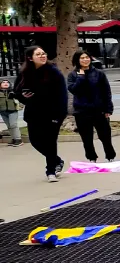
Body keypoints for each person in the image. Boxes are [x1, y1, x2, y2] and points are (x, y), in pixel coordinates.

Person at [15, 45, 68, 181]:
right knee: (35, 141)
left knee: (50, 142)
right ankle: (57, 161)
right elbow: (17, 91)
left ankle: (51, 171)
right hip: (33, 113)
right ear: (30, 58)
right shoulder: (24, 73)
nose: (42, 56)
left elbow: (62, 96)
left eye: (43, 53)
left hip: (52, 114)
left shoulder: (54, 72)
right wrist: (23, 97)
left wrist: (59, 116)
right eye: (38, 54)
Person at [67, 49, 116, 162]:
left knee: (105, 136)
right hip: (81, 111)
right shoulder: (72, 75)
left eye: (87, 57)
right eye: (82, 58)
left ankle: (110, 156)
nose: (85, 60)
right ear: (77, 60)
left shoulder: (99, 73)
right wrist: (81, 77)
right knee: (86, 138)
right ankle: (91, 158)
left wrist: (108, 109)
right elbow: (74, 90)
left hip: (99, 110)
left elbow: (106, 92)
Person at [0, 77, 23, 146]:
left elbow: (20, 99)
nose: (5, 83)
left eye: (7, 82)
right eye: (3, 82)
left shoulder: (13, 91)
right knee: (9, 126)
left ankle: (18, 139)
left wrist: (21, 106)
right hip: (3, 111)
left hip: (13, 111)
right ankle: (14, 139)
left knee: (13, 125)